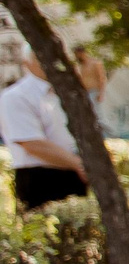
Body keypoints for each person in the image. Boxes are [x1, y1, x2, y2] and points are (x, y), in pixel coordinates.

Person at [1, 52, 90, 210]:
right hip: (40, 179)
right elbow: (32, 143)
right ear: (26, 62)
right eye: (38, 57)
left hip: (73, 174)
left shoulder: (64, 93)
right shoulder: (16, 96)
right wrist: (81, 165)